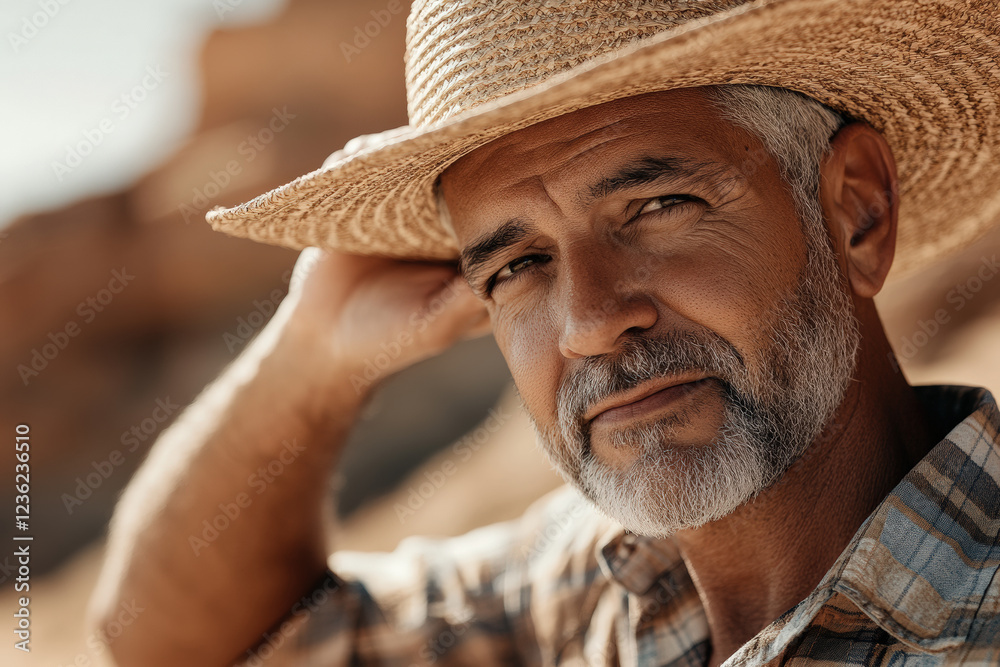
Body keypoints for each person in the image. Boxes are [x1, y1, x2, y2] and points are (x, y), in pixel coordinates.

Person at [91, 0, 1000, 665]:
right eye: (516, 266)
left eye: (656, 206)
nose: (592, 323)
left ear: (857, 213)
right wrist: (313, 357)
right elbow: (165, 641)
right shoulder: (589, 589)